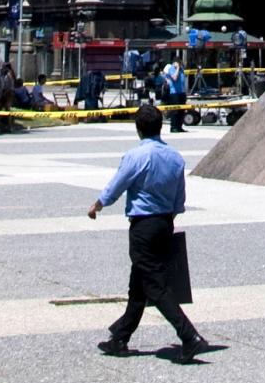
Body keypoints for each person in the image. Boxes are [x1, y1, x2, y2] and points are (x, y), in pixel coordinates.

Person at [87, 101, 217, 358]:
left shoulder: (137, 156)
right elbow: (180, 197)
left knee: (155, 286)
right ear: (161, 127)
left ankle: (189, 336)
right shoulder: (175, 158)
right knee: (139, 285)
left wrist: (98, 205)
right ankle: (120, 338)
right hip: (165, 223)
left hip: (143, 225)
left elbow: (117, 186)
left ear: (138, 129)